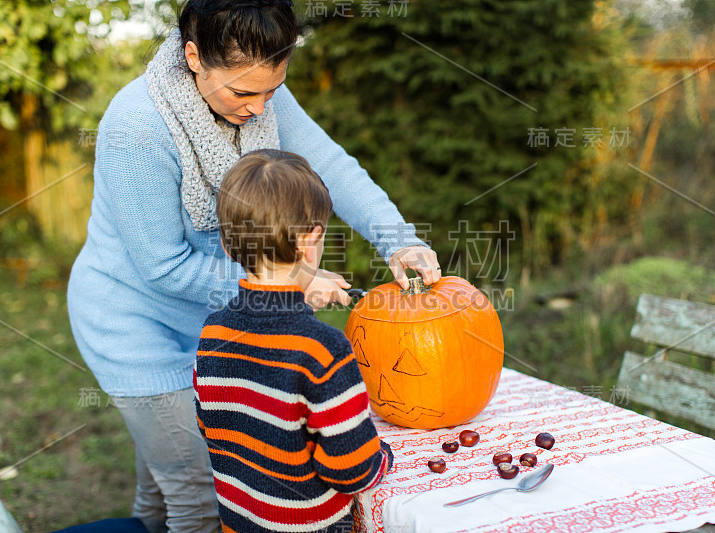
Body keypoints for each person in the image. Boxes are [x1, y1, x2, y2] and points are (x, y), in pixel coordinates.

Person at [67, 1, 439, 531]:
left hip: (217, 319)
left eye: (273, 89)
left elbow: (328, 165)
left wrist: (397, 240)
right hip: (133, 326)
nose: (262, 109)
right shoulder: (137, 128)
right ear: (194, 57)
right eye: (244, 93)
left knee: (161, 487)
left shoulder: (260, 91)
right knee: (198, 495)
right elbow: (165, 267)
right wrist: (287, 281)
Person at [195, 149, 394, 533]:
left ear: (225, 243)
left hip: (239, 522)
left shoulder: (213, 332)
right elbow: (351, 470)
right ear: (311, 241)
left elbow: (210, 424)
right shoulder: (323, 349)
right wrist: (380, 457)